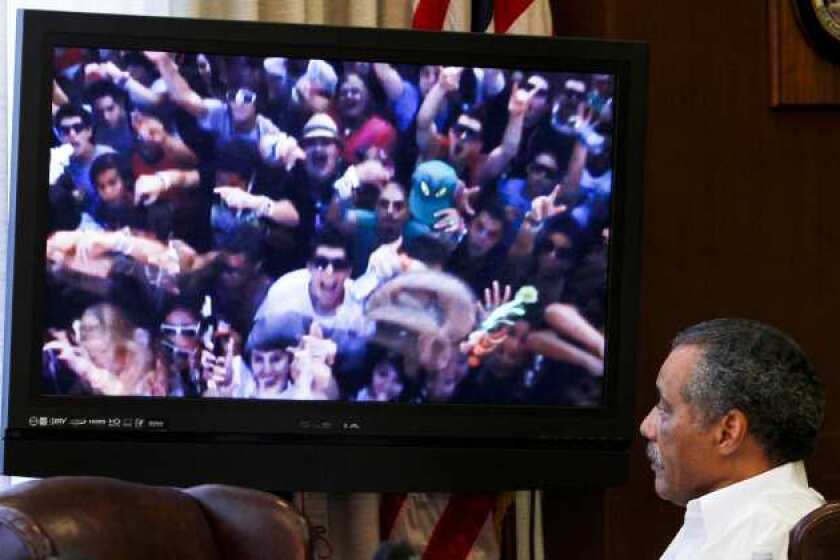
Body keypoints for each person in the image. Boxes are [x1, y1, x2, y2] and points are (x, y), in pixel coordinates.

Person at [640, 318, 825, 560]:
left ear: (727, 432)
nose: (647, 427)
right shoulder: (729, 520)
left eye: (665, 408)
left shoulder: (764, 539)